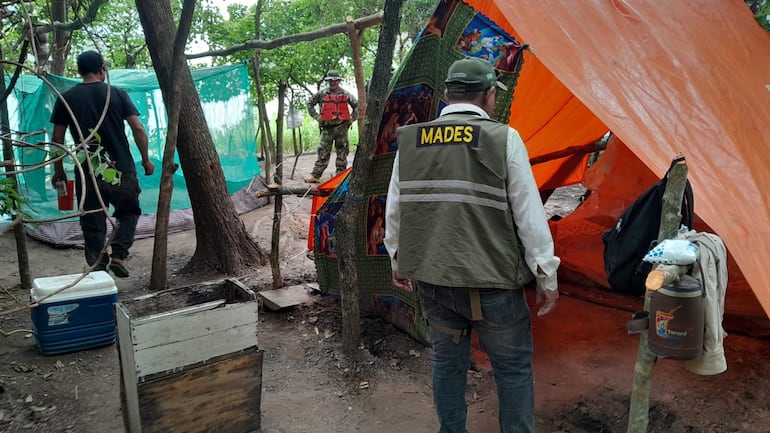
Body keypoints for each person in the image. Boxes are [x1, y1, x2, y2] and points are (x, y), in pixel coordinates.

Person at [383, 57, 560, 433]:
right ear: (490, 95)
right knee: (512, 370)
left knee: (447, 365)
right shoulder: (503, 139)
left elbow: (395, 208)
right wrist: (546, 275)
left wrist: (397, 259)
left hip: (434, 283)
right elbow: (530, 216)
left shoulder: (411, 142)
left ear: (448, 95)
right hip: (493, 287)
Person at [50, 50, 154, 278]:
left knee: (92, 218)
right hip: (121, 169)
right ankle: (118, 254)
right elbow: (138, 128)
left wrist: (58, 171)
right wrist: (145, 159)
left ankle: (98, 266)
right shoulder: (116, 93)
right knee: (128, 211)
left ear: (79, 71)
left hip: (88, 172)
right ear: (101, 70)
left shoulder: (66, 98)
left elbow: (57, 139)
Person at [304, 70, 359, 183]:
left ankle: (340, 176)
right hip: (327, 128)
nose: (333, 83)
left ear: (339, 81)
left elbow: (358, 106)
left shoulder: (345, 94)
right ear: (328, 81)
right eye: (330, 81)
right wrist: (317, 117)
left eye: (335, 81)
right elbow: (310, 103)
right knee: (323, 151)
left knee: (342, 152)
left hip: (342, 127)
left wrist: (351, 119)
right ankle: (316, 175)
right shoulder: (322, 93)